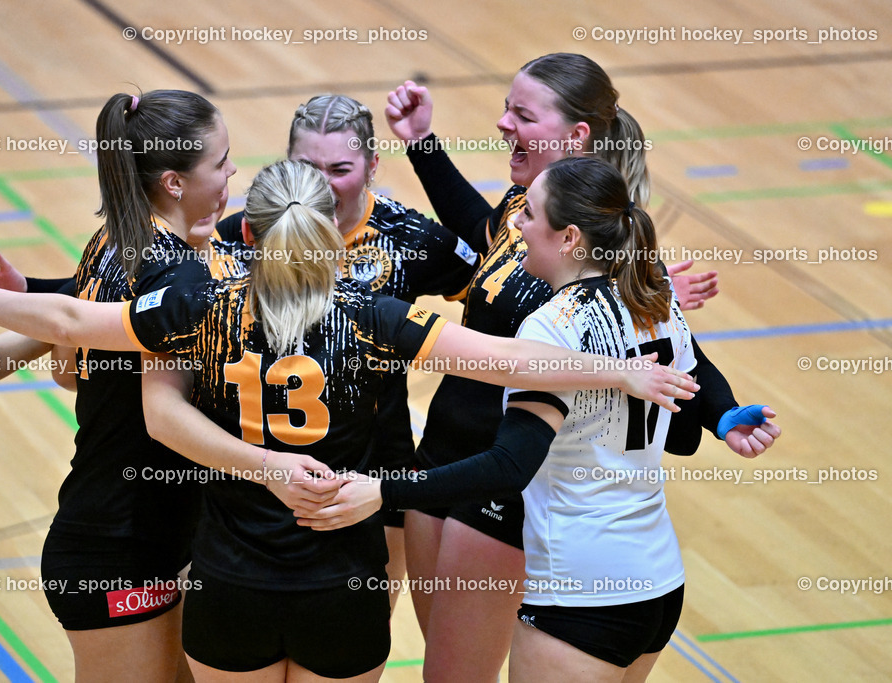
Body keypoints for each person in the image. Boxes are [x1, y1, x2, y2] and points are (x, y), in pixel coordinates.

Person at [0, 159, 698, 682]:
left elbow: (73, 319)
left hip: (230, 575)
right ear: (336, 236)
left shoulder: (201, 304)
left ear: (247, 233)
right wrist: (621, 367)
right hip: (340, 579)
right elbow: (511, 362)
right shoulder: (372, 313)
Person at [0, 90, 338, 683]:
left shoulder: (117, 248)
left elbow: (37, 338)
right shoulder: (176, 277)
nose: (231, 176)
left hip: (153, 534)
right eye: (221, 163)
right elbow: (65, 324)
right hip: (117, 549)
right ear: (173, 181)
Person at [297, 157, 782, 682]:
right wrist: (726, 414)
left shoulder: (551, 325)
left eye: (528, 214)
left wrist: (383, 492)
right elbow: (684, 436)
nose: (516, 226)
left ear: (569, 236)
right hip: (658, 584)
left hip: (580, 593)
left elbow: (510, 466)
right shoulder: (658, 305)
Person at [384, 52, 735, 682]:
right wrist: (423, 148)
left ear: (575, 137)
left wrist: (724, 413)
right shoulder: (532, 209)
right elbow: (484, 234)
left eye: (521, 114)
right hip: (443, 458)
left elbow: (675, 371)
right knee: (446, 664)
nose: (501, 124)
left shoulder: (596, 255)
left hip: (502, 485)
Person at [213, 93, 481, 606]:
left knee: (357, 627)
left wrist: (619, 288)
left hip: (377, 473)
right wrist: (32, 287)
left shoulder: (409, 237)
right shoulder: (252, 231)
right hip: (257, 473)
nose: (322, 185)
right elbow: (142, 294)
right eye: (307, 167)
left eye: (340, 169)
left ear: (373, 166)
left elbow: (505, 285)